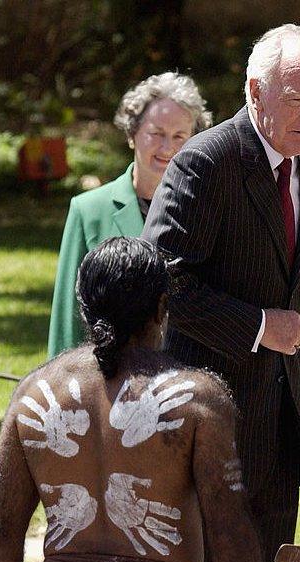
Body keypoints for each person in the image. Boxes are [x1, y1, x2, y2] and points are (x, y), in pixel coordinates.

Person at [0, 237, 273, 562]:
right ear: (160, 309)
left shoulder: (33, 396)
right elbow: (230, 532)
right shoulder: (197, 399)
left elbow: (1, 530)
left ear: (84, 306)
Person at [142, 24, 300, 562]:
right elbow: (161, 278)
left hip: (276, 420)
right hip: (207, 420)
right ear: (255, 90)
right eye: (296, 99)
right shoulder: (207, 161)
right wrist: (255, 327)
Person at [48, 72, 212, 358]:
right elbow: (67, 318)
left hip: (187, 379)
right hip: (109, 377)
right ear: (132, 134)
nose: (167, 148)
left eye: (179, 136)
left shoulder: (208, 209)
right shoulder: (88, 210)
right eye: (156, 134)